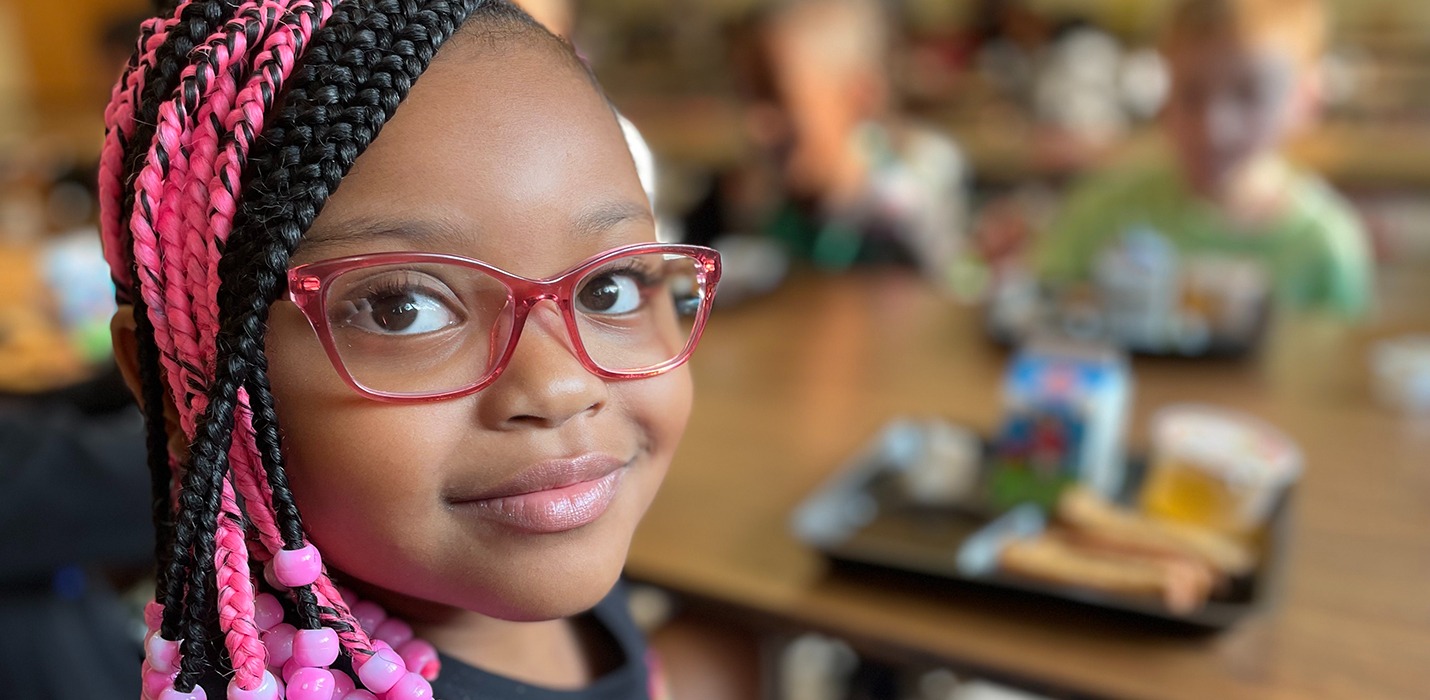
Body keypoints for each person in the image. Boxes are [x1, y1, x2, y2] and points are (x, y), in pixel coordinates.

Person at [98, 2, 721, 698]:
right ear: (181, 382)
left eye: (609, 287)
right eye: (403, 309)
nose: (561, 388)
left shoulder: (549, 540)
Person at [1032, 0, 1374, 318]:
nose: (1214, 127)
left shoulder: (1324, 246)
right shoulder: (1098, 215)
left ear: (1306, 100)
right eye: (1191, 92)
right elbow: (1039, 317)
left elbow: (1337, 369)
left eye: (1248, 93)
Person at [692, 0, 968, 282]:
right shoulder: (766, 208)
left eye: (776, 97)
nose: (755, 126)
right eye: (747, 96)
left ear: (860, 97)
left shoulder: (907, 208)